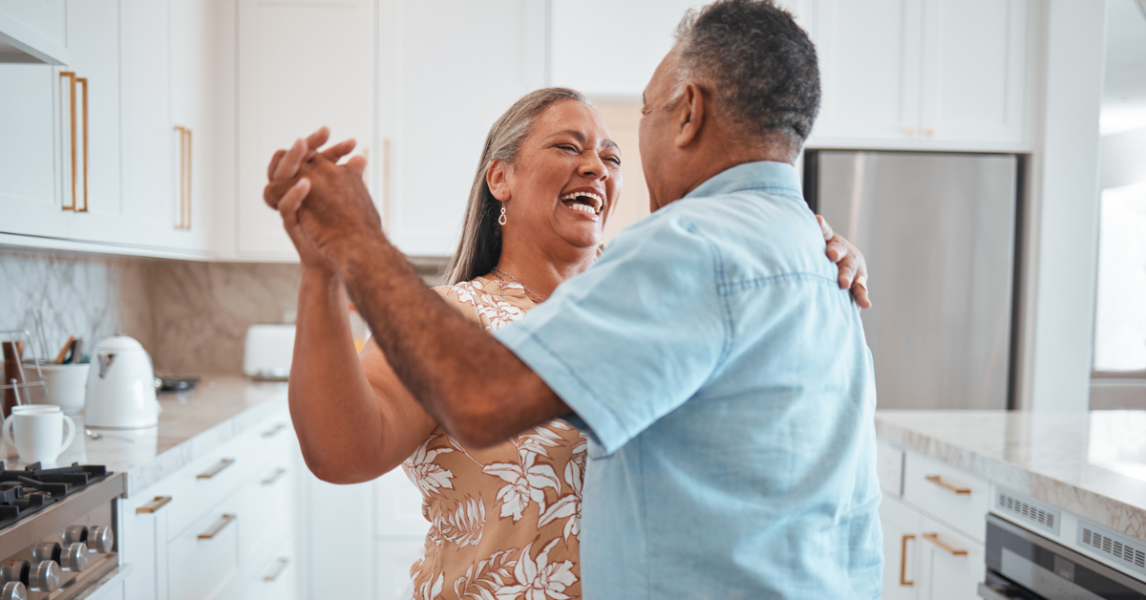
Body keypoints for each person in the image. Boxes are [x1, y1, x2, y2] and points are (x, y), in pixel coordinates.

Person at [264, 1, 880, 597]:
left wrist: (360, 243)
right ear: (499, 177)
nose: (601, 167)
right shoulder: (449, 320)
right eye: (567, 147)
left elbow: (483, 398)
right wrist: (325, 269)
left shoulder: (688, 262)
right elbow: (342, 452)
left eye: (613, 152)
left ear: (689, 113)